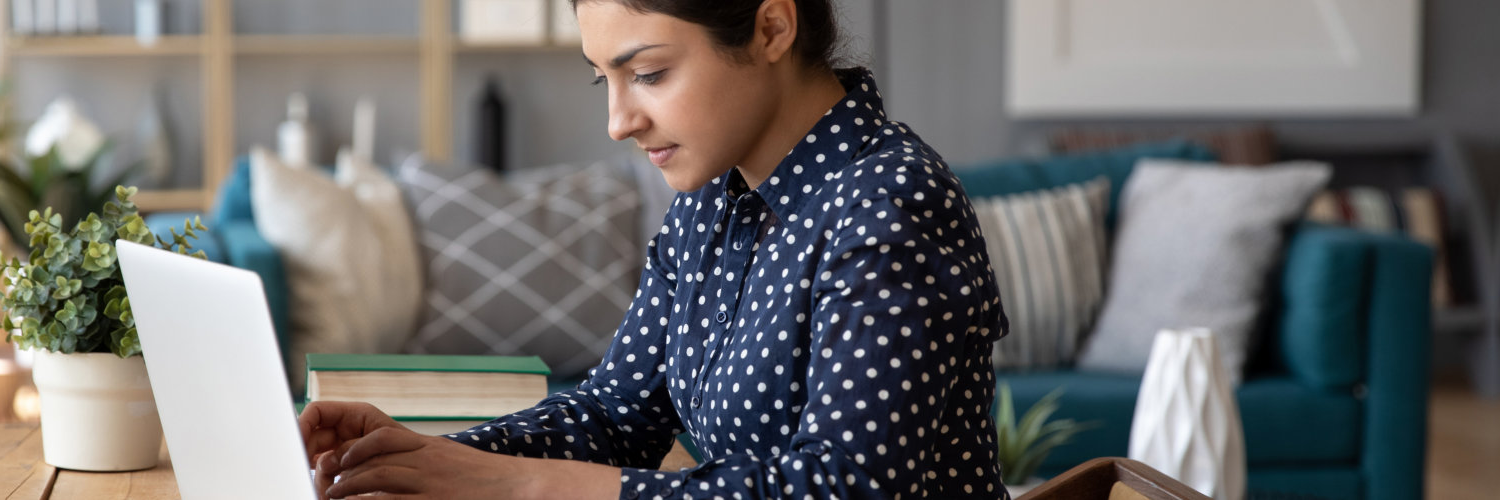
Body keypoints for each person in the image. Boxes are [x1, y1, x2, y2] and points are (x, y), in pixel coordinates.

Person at [299, 0, 1010, 497]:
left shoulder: (889, 206)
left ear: (771, 27)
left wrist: (523, 486)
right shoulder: (707, 200)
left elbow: (844, 491)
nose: (617, 121)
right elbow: (617, 414)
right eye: (602, 77)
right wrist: (427, 458)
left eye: (648, 73)